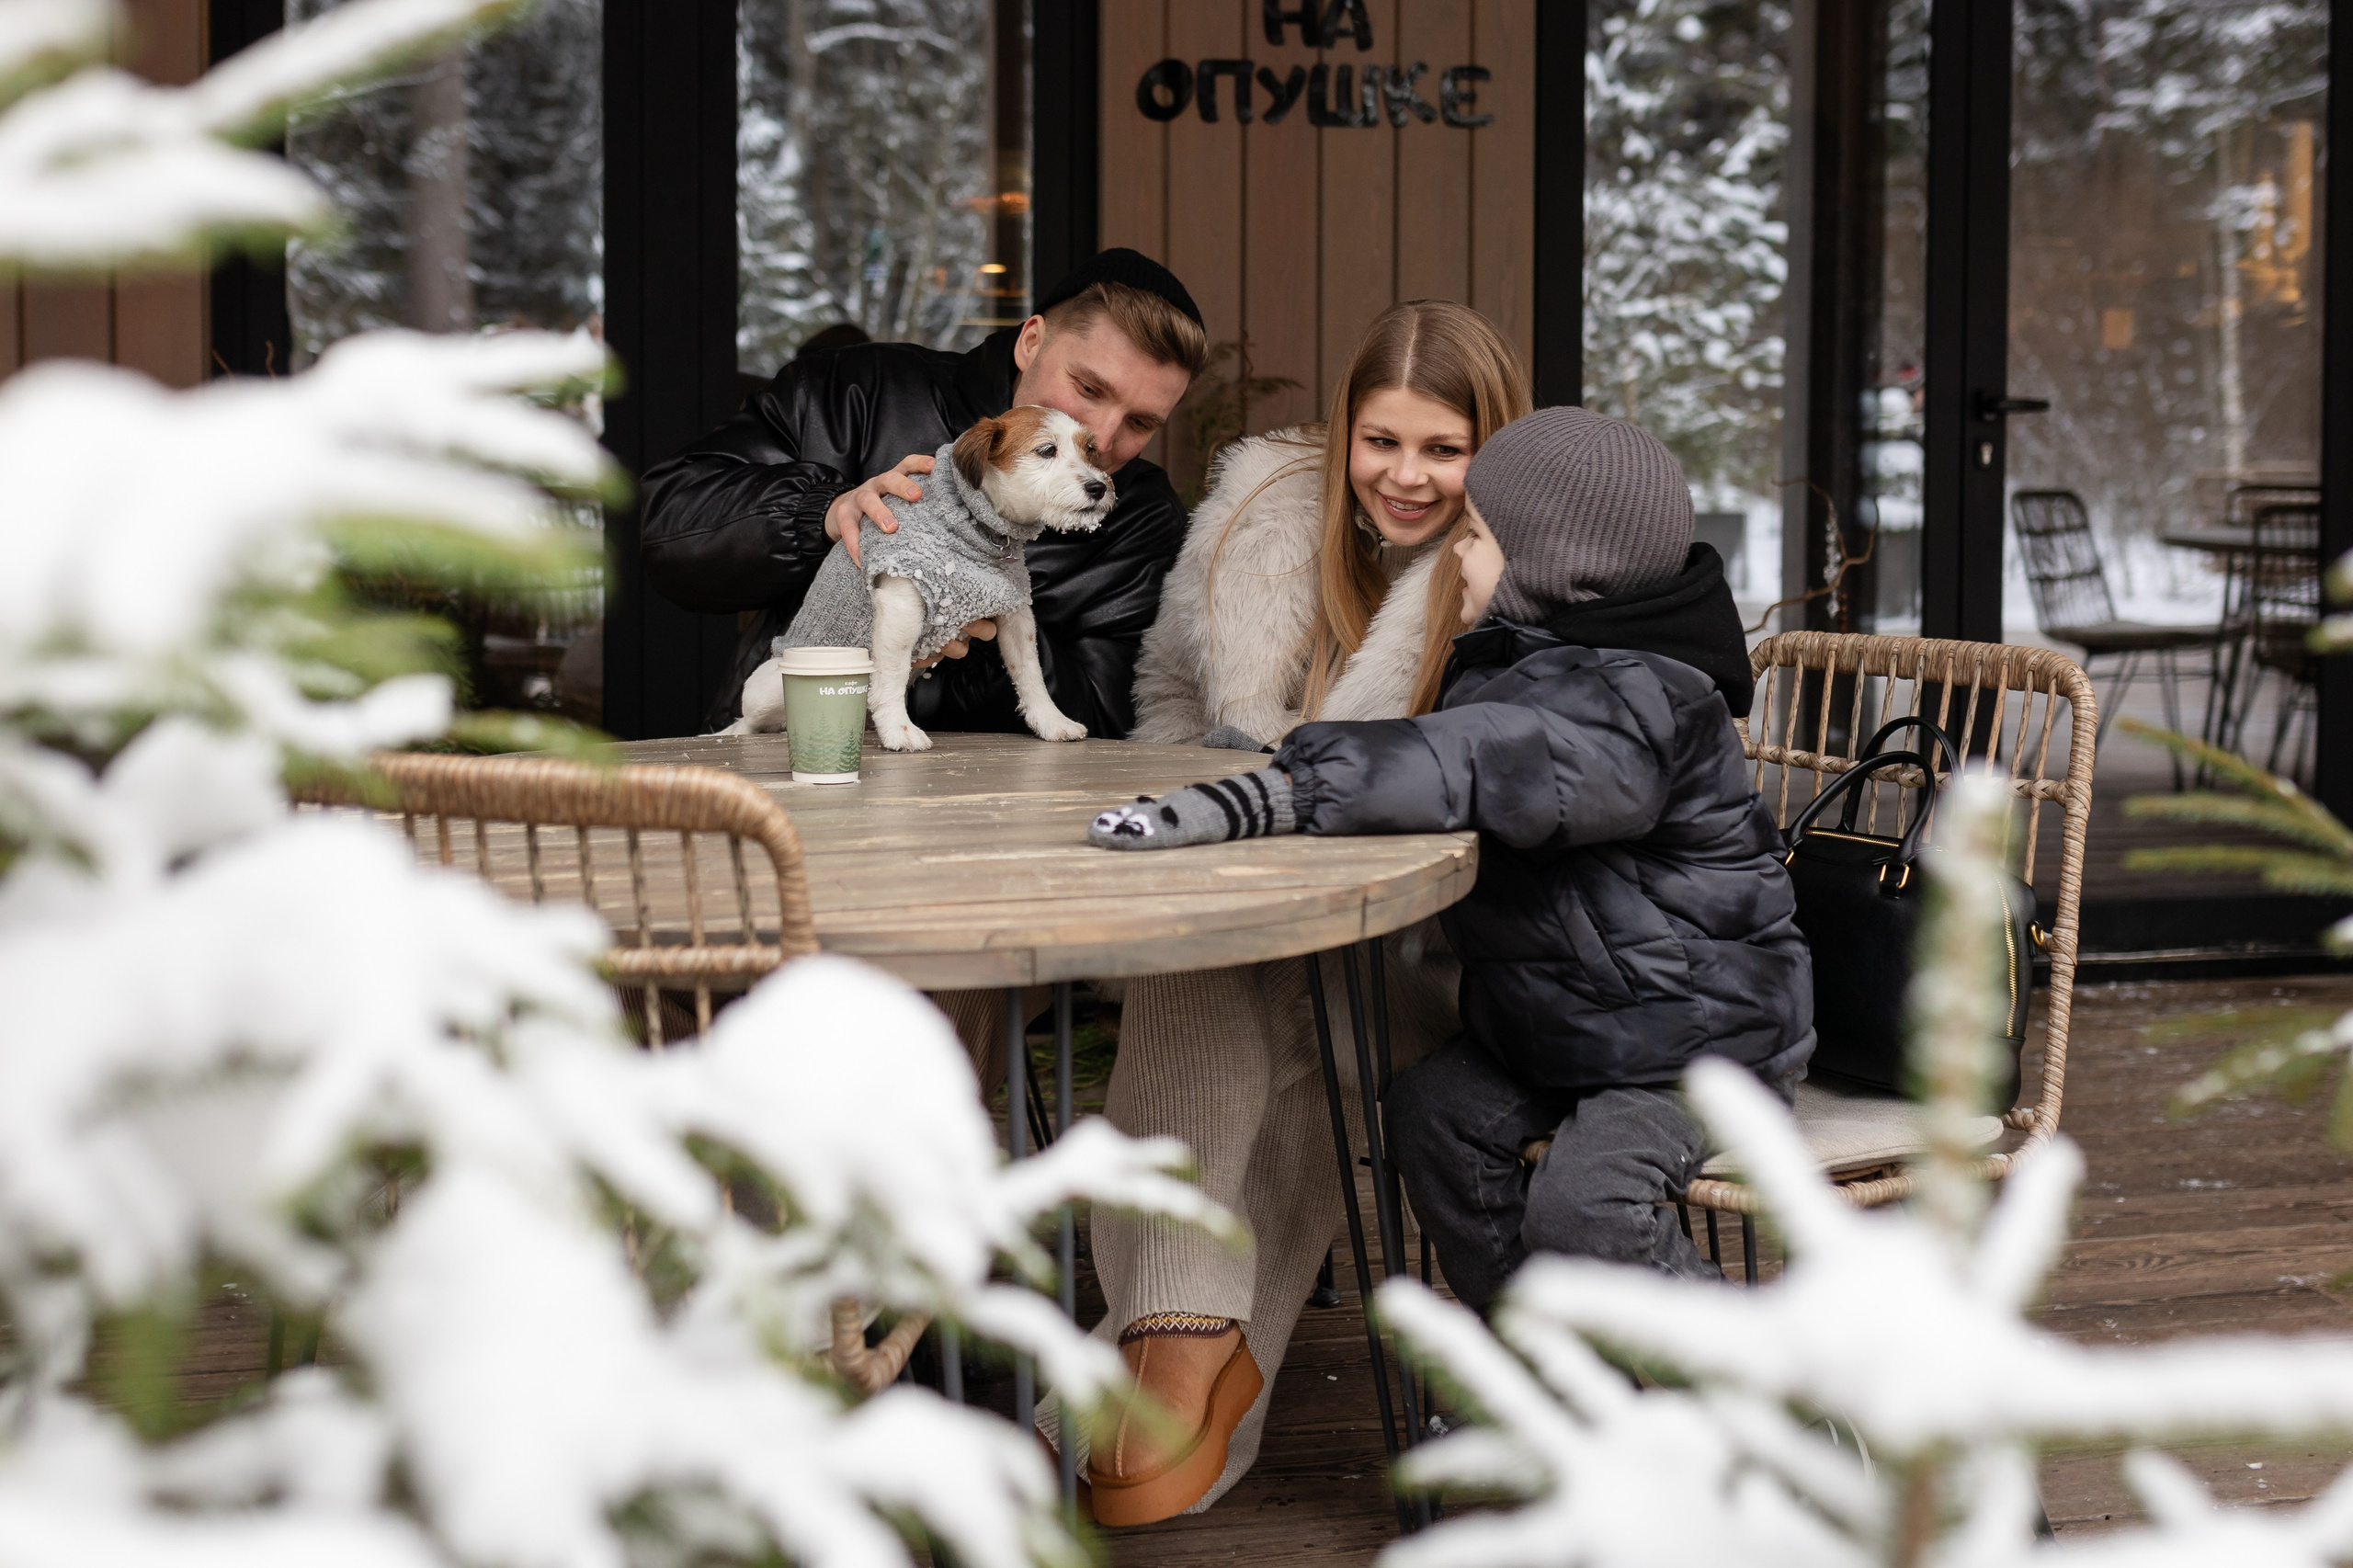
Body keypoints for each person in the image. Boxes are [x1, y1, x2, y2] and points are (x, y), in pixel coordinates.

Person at [1088, 403, 1813, 1326]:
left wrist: (1285, 787)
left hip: (1697, 1045)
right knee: (1434, 1115)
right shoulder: (1533, 666)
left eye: (1475, 535)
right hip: (1569, 1027)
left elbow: (1479, 755)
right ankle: (1546, 1366)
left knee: (1585, 1204)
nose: (1456, 555)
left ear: (1555, 564)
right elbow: (1460, 747)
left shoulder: (1641, 697)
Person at [1064, 301, 1532, 1527]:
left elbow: (1530, 767)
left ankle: (1175, 1340)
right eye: (1384, 441)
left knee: (1281, 980)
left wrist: (1494, 616)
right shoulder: (1261, 517)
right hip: (1244, 881)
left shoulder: (1517, 562)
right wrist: (1209, 803)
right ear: (1344, 431)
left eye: (1444, 447)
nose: (1408, 476)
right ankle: (1195, 1335)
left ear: (1492, 446)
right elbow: (1166, 697)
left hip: (1423, 928)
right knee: (1216, 957)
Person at [639, 249, 1206, 735]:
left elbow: (1113, 718)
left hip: (997, 815)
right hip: (786, 758)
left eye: (1140, 424)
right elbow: (670, 528)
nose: (1103, 440)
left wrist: (974, 635)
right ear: (1032, 342)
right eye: (1088, 387)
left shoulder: (1144, 516)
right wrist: (824, 514)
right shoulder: (857, 391)